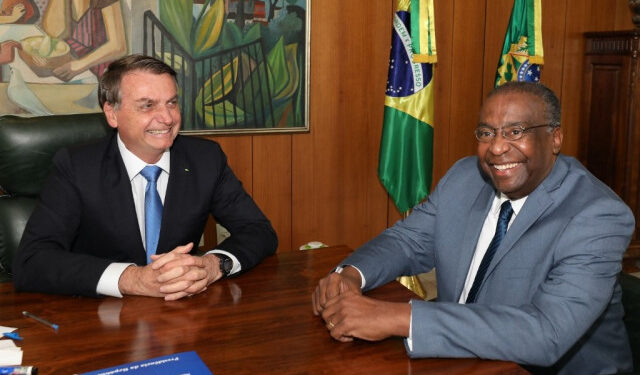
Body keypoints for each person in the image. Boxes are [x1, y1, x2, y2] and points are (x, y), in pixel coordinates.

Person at [312, 81, 635, 374]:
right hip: (462, 357)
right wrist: (351, 274)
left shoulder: (597, 216)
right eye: (486, 133)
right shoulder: (465, 177)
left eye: (515, 131)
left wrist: (398, 318)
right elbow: (408, 241)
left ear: (555, 138)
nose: (496, 148)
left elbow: (545, 334)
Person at [13, 54, 278, 300]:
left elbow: (259, 231)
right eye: (147, 105)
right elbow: (32, 261)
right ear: (112, 113)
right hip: (101, 319)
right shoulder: (76, 167)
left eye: (172, 103)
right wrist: (132, 278)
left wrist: (213, 265)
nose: (166, 118)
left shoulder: (205, 159)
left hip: (181, 315)